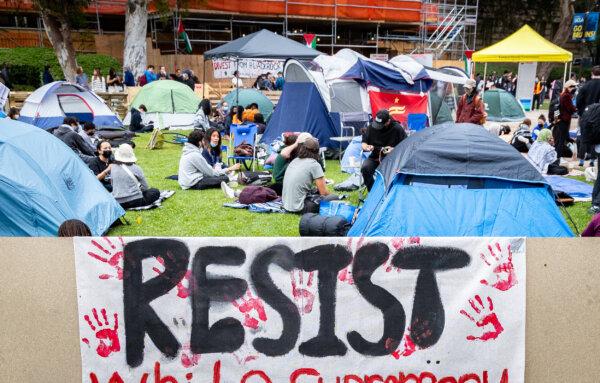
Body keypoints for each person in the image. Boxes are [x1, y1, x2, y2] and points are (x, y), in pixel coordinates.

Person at [282, 137, 339, 213]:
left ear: (302, 148)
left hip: (286, 205)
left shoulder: (295, 160)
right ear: (317, 150)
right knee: (334, 197)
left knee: (315, 191)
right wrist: (331, 195)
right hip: (300, 208)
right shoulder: (314, 164)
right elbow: (323, 192)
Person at [361, 109, 407, 191]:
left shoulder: (397, 128)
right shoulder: (372, 127)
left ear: (388, 121)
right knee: (365, 168)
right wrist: (367, 147)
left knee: (389, 171)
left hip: (392, 159)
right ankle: (372, 191)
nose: (377, 127)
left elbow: (406, 146)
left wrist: (393, 149)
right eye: (377, 124)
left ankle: (389, 191)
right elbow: (364, 143)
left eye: (380, 125)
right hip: (375, 157)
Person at [111, 144, 160, 208]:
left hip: (119, 202)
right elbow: (145, 187)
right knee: (155, 191)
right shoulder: (136, 168)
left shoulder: (113, 167)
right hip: (136, 201)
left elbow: (112, 184)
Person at [576, 66, 600, 167]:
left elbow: (578, 102)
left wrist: (582, 113)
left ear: (592, 73)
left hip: (585, 114)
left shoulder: (585, 86)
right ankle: (593, 160)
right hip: (598, 115)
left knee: (584, 137)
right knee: (597, 138)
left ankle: (581, 160)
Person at [555, 79, 578, 159]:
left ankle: (557, 155)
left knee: (561, 139)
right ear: (569, 87)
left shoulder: (563, 94)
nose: (574, 88)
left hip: (562, 119)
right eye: (573, 87)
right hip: (564, 119)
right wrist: (576, 109)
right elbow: (569, 107)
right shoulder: (566, 95)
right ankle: (558, 157)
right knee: (561, 140)